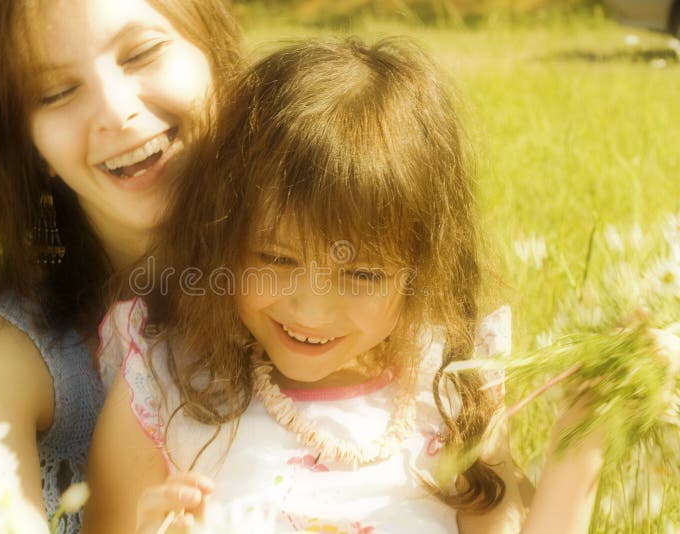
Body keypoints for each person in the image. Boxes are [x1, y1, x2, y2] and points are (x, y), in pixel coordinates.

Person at [84, 38, 608, 533]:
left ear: (422, 270)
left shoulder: (451, 386)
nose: (311, 310)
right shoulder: (168, 388)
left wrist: (582, 442)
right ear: (224, 235)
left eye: (362, 275)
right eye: (276, 257)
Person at [0, 0, 241, 531]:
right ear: (27, 144)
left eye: (141, 53)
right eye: (56, 93)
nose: (117, 112)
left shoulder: (343, 263)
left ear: (212, 52)